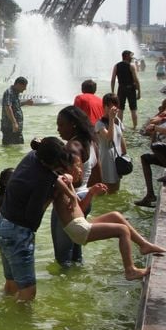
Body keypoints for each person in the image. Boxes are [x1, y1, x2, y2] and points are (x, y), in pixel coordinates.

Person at [52, 153, 166, 281]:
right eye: (78, 166)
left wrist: (91, 193)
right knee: (122, 230)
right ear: (67, 167)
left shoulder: (69, 184)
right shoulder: (63, 179)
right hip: (78, 229)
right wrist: (68, 179)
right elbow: (57, 179)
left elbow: (80, 208)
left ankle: (144, 244)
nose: (81, 170)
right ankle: (130, 270)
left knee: (115, 216)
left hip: (80, 222)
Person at [0, 137, 78, 301]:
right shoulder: (42, 179)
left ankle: (4, 314)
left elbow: (53, 177)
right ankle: (20, 324)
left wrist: (71, 195)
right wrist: (52, 198)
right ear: (49, 163)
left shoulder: (33, 156)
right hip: (18, 232)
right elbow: (32, 220)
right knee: (28, 291)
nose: (62, 170)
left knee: (12, 283)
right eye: (60, 167)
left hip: (2, 225)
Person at [51, 105, 103, 266]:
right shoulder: (92, 143)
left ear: (73, 124)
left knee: (63, 257)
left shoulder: (72, 147)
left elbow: (76, 179)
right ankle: (79, 282)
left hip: (69, 201)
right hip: (85, 197)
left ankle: (65, 287)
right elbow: (97, 176)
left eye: (61, 124)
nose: (58, 129)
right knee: (76, 252)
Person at [95, 93, 127, 193]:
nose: (113, 109)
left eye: (115, 106)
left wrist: (125, 156)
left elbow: (121, 138)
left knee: (116, 189)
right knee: (105, 189)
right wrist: (111, 119)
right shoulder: (99, 124)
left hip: (117, 157)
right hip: (106, 158)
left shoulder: (117, 120)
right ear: (104, 107)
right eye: (110, 106)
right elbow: (109, 138)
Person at [110, 50, 141, 129]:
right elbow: (136, 79)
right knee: (133, 109)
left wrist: (113, 91)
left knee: (120, 109)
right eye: (131, 56)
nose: (132, 57)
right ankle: (135, 127)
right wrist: (139, 92)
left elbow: (113, 79)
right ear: (126, 56)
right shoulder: (131, 66)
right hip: (131, 89)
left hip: (121, 89)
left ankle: (120, 127)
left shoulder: (116, 65)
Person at [0, 76, 32, 145]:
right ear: (18, 84)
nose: (25, 89)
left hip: (16, 128)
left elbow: (15, 105)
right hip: (10, 127)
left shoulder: (15, 93)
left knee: (18, 148)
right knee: (9, 148)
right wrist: (14, 122)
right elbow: (8, 107)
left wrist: (25, 103)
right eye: (24, 86)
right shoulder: (9, 92)